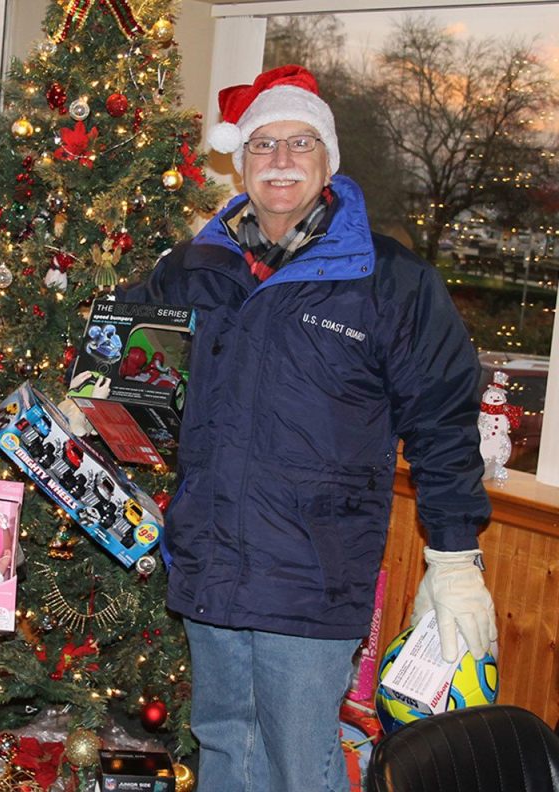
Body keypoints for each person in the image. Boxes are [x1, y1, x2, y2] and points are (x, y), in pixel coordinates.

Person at [123, 65, 497, 792]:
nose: (282, 160)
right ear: (242, 161)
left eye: (300, 142)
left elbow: (443, 424)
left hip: (313, 572)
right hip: (211, 560)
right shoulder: (193, 266)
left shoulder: (391, 281)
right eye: (263, 145)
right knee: (226, 745)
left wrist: (454, 557)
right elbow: (131, 383)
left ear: (327, 158)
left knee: (302, 764)